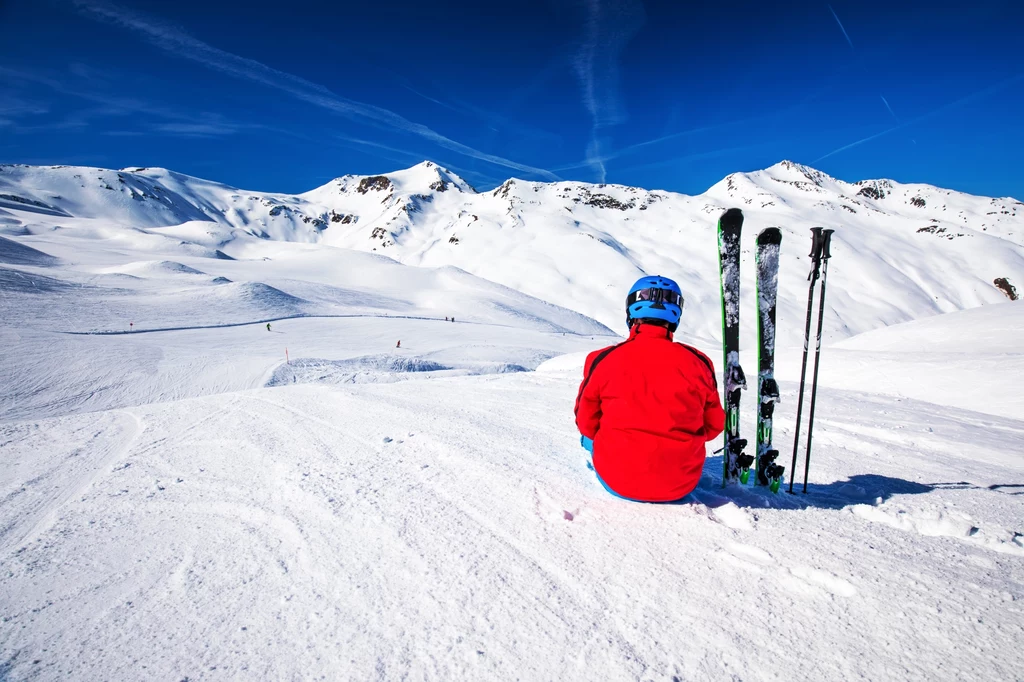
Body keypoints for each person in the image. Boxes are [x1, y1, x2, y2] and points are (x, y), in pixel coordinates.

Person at [575, 276, 725, 502]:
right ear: (675, 315)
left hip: (618, 482)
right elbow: (714, 426)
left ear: (631, 312)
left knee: (588, 440)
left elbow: (586, 423)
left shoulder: (602, 359)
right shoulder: (699, 362)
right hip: (681, 485)